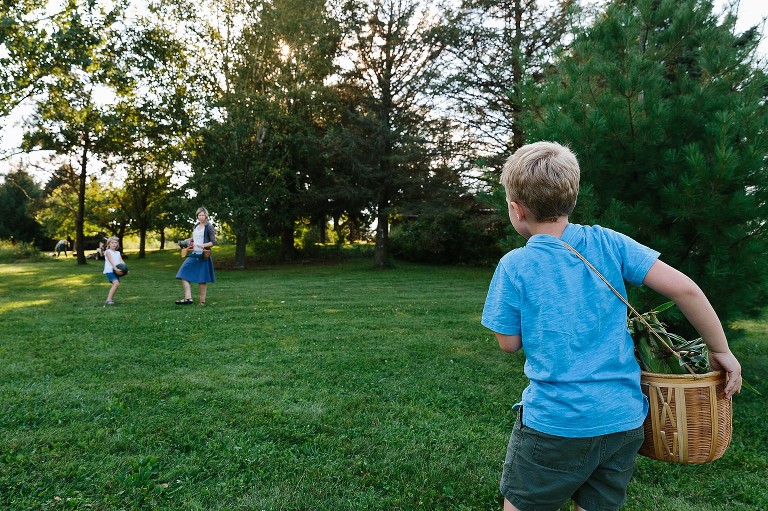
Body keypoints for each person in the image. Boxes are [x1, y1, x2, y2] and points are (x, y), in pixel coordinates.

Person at [481, 141, 742, 511]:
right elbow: (686, 289)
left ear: (516, 209)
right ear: (571, 198)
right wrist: (720, 350)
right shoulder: (609, 242)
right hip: (623, 420)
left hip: (556, 425)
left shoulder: (514, 265)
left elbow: (508, 343)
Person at [175, 207, 216, 305]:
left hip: (203, 255)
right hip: (193, 253)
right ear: (197, 216)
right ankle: (188, 298)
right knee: (182, 274)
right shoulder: (196, 225)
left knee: (201, 280)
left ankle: (202, 302)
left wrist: (202, 245)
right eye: (199, 215)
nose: (201, 217)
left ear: (206, 216)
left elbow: (213, 242)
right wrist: (188, 240)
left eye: (203, 215)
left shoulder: (209, 226)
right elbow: (195, 237)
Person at [103, 236, 125, 305]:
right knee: (116, 284)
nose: (114, 244)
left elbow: (121, 261)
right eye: (112, 243)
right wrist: (115, 269)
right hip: (110, 271)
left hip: (116, 270)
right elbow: (111, 261)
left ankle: (110, 299)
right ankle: (108, 300)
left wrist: (125, 269)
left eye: (115, 242)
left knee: (116, 285)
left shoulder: (118, 253)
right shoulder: (107, 252)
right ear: (109, 244)